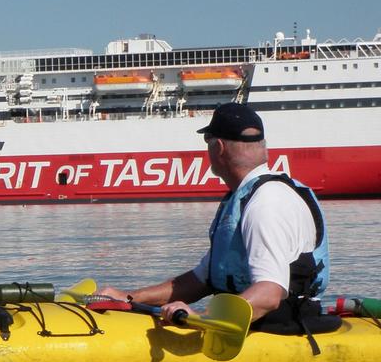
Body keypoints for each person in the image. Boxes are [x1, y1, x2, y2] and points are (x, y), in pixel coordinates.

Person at [98, 102, 330, 333]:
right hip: (249, 321)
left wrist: (202, 317)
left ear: (218, 147)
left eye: (207, 141)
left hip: (278, 327)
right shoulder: (245, 197)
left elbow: (269, 294)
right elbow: (201, 280)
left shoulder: (266, 202)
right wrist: (127, 298)